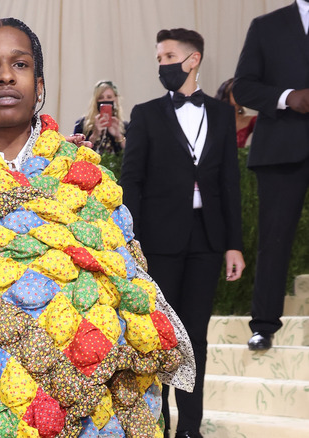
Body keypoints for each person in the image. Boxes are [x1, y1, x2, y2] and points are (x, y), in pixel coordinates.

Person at [0, 18, 193, 438]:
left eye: (21, 64)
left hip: (98, 399)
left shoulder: (84, 174)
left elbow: (127, 276)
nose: (7, 75)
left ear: (40, 83)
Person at [120, 28, 245, 438]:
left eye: (168, 56)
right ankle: (157, 425)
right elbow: (131, 181)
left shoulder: (222, 114)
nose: (162, 65)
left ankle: (190, 428)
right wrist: (130, 242)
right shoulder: (146, 114)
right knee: (158, 335)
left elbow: (229, 182)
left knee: (196, 335)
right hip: (158, 240)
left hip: (207, 240)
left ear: (192, 60)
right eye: (158, 58)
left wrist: (233, 245)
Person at [233, 0, 309, 351]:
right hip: (281, 149)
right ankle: (264, 325)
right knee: (274, 240)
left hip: (282, 148)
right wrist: (286, 97)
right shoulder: (266, 26)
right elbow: (244, 87)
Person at [73, 80, 128, 154]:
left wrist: (118, 136)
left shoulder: (124, 126)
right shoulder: (82, 124)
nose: (105, 100)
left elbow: (132, 152)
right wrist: (95, 135)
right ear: (96, 101)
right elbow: (75, 152)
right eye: (101, 97)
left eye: (109, 97)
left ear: (115, 99)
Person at [215, 78, 257, 148]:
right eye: (235, 91)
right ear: (226, 92)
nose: (240, 94)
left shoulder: (251, 120)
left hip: (240, 158)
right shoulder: (213, 118)